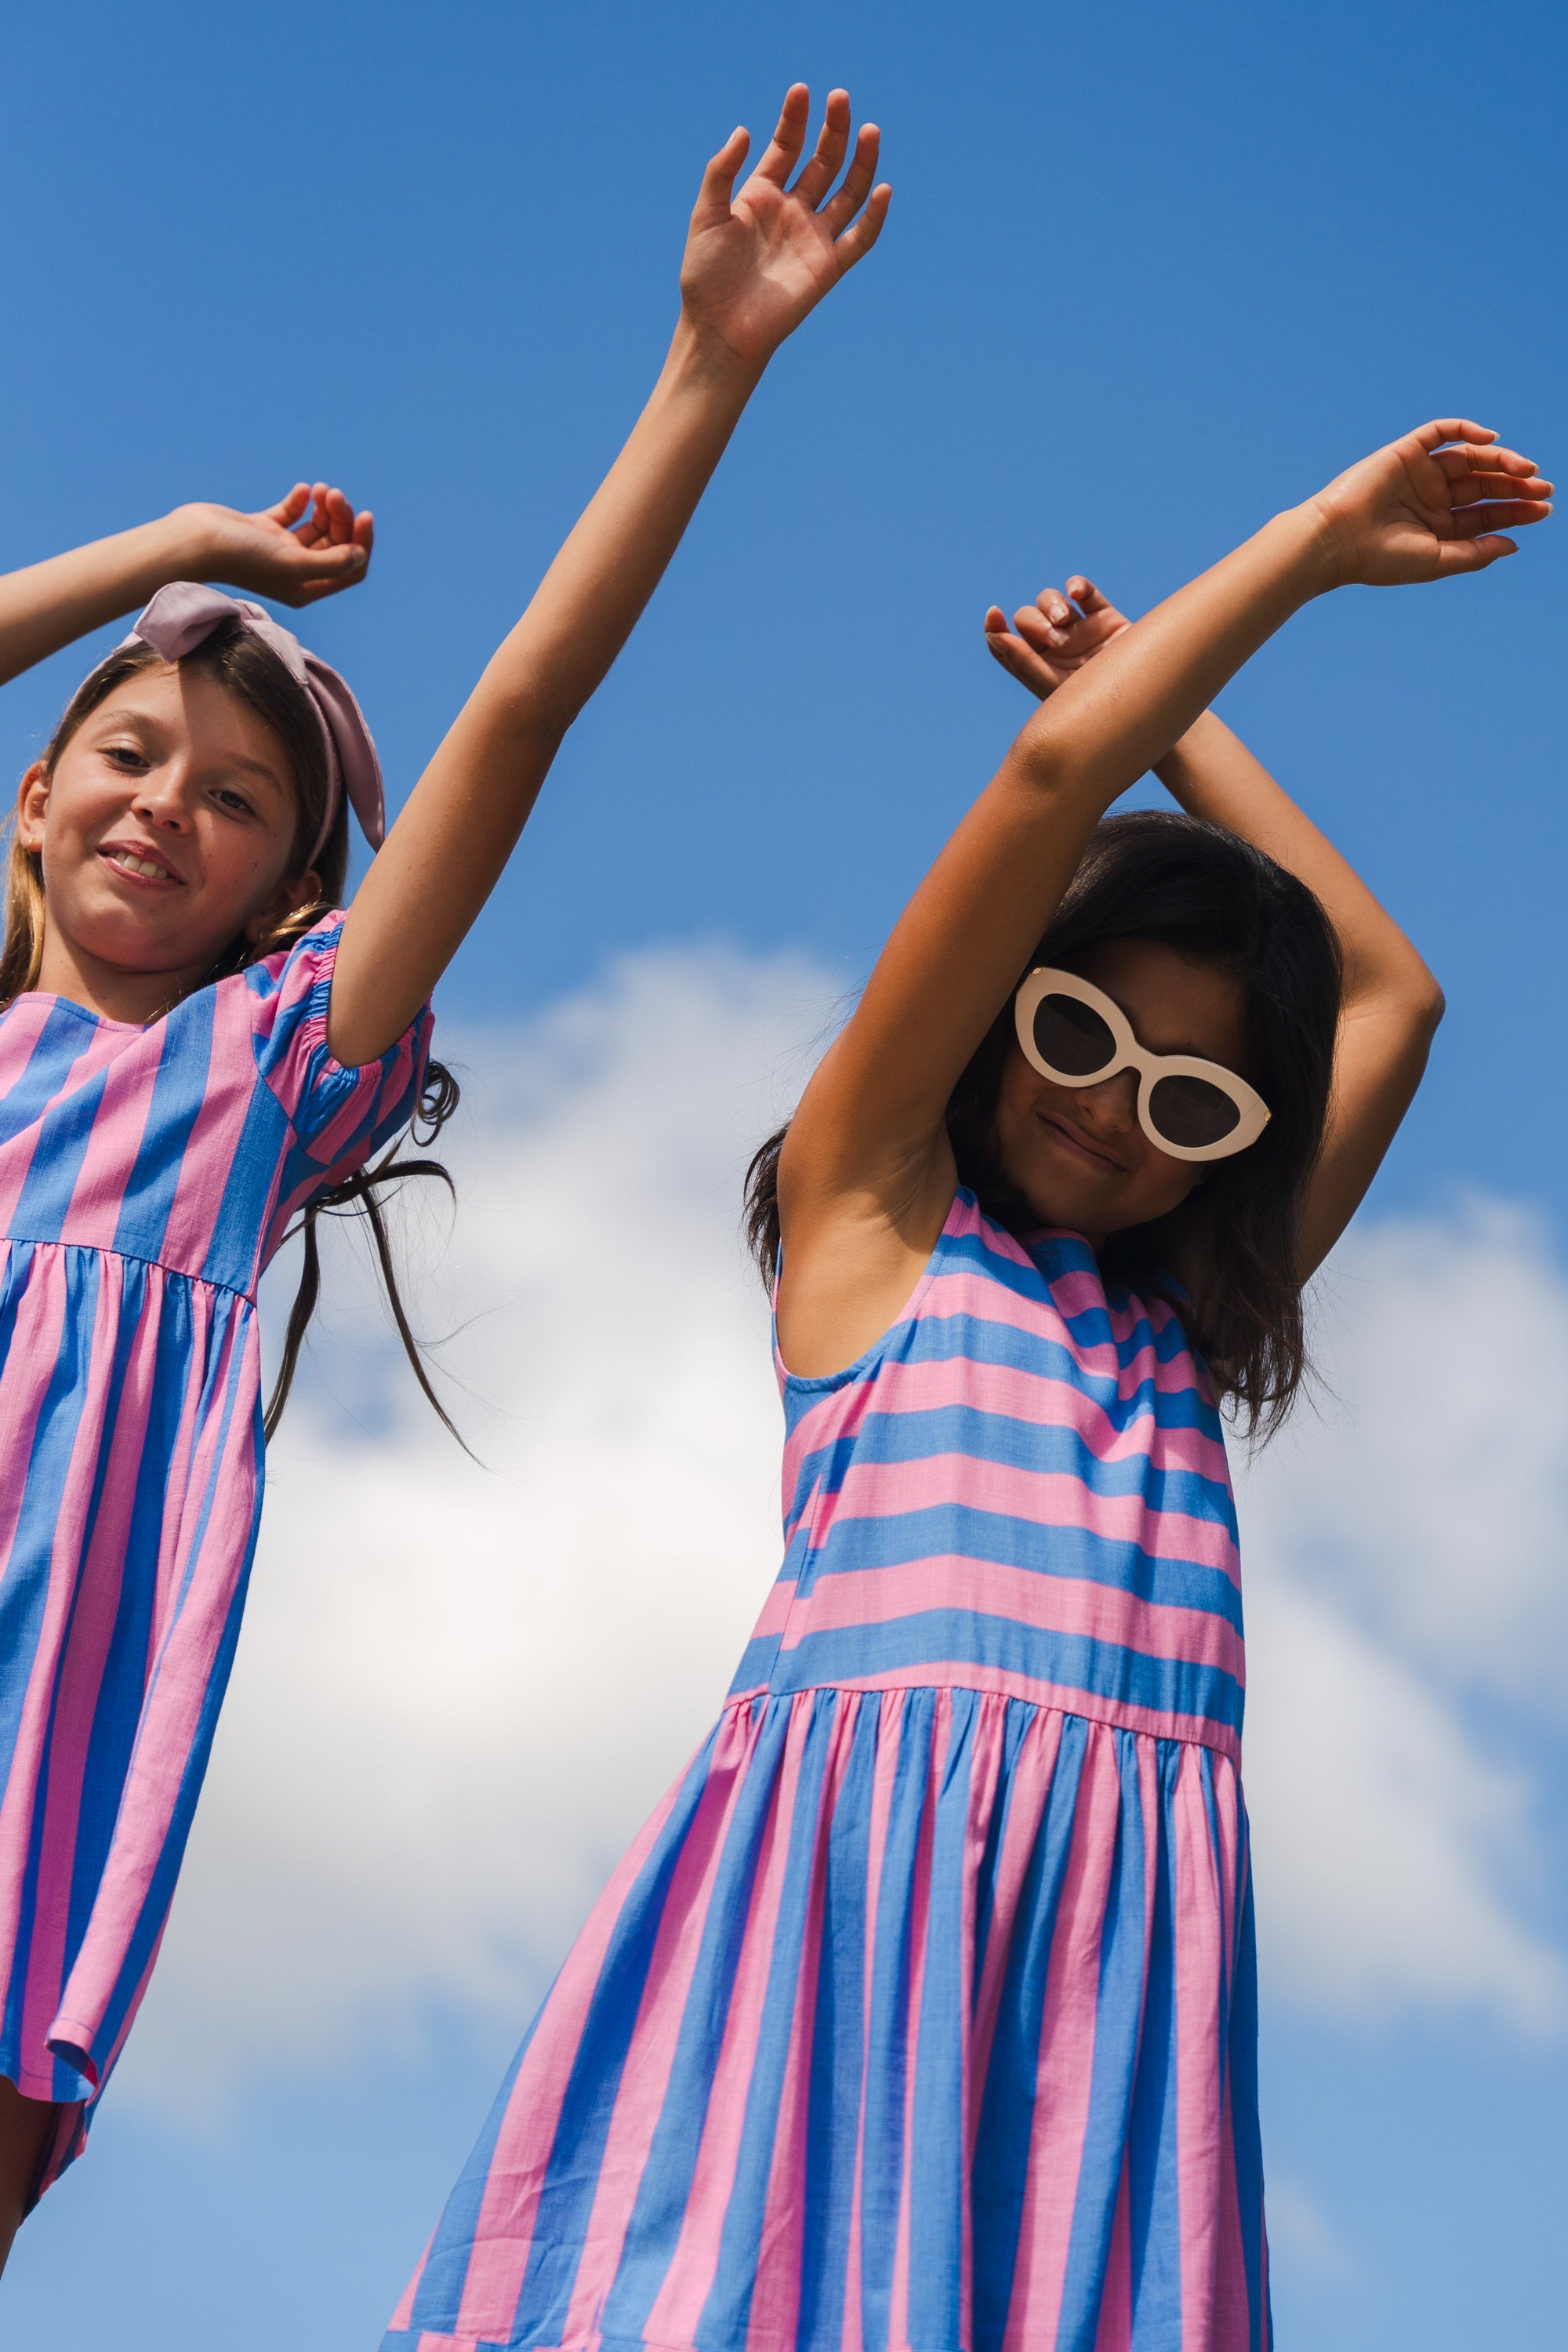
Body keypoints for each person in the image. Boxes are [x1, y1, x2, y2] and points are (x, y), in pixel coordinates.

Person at [382, 417, 1549, 2352]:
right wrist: (1299, 556)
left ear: (1231, 1148)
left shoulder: (1171, 1339)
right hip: (848, 1921)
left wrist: (1162, 719)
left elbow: (1390, 998)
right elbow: (1042, 784)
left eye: (1191, 1095)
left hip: (1108, 1964)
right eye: (1084, 1028)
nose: (1113, 1102)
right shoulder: (877, 1217)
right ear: (1011, 1004)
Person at [0, 82, 889, 2261]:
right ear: (31, 797)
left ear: (295, 896)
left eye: (232, 801)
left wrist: (709, 370)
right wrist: (169, 558)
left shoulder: (256, 1079)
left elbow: (518, 713)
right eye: (127, 756)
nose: (161, 810)